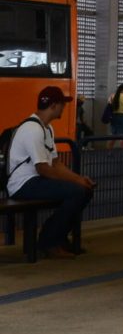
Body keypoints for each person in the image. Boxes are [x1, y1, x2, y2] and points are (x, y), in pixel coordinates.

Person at [6, 86, 95, 259]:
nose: (64, 108)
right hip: (22, 184)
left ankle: (57, 237)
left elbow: (55, 163)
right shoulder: (32, 129)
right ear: (54, 106)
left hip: (35, 180)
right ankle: (49, 241)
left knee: (84, 190)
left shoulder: (47, 129)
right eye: (62, 104)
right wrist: (76, 181)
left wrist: (78, 179)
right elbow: (44, 168)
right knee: (76, 192)